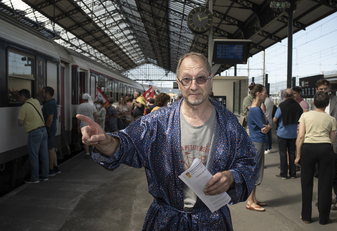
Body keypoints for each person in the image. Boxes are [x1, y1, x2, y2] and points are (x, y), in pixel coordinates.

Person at [77, 52, 258, 230]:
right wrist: (105, 141)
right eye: (186, 79)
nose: (194, 86)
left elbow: (248, 162)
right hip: (166, 221)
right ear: (178, 84)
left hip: (212, 222)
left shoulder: (228, 123)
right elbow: (128, 144)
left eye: (201, 78)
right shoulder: (157, 122)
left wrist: (231, 177)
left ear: (210, 80)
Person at [295, 91, 336, 225]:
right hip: (325, 149)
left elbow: (300, 136)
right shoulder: (331, 119)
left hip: (308, 148)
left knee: (306, 183)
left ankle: (306, 216)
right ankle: (324, 218)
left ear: (313, 102)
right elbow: (332, 140)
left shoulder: (305, 115)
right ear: (327, 104)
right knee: (325, 184)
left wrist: (298, 155)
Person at [316, 79, 337, 210]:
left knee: (334, 172)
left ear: (329, 89)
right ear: (317, 90)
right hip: (320, 141)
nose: (323, 91)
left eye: (325, 89)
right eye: (321, 89)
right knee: (323, 173)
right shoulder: (316, 102)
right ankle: (326, 199)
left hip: (335, 141)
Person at [246, 84, 271, 212]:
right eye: (264, 92)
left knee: (255, 169)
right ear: (258, 94)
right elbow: (265, 127)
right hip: (258, 142)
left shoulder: (255, 109)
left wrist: (267, 125)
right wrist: (268, 126)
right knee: (255, 170)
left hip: (256, 141)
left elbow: (265, 125)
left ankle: (253, 199)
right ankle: (250, 201)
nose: (266, 95)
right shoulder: (256, 110)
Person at [17, 89, 49, 183]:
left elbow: (20, 123)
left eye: (19, 97)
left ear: (22, 96)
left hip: (34, 133)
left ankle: (35, 178)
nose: (18, 99)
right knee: (44, 155)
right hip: (43, 130)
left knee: (34, 156)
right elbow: (37, 98)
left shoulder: (24, 107)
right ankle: (45, 175)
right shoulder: (35, 101)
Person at [273, 89, 303, 179]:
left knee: (283, 153)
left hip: (282, 133)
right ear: (292, 95)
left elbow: (275, 119)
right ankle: (293, 173)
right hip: (293, 133)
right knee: (292, 153)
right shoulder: (297, 106)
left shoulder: (282, 105)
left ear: (284, 96)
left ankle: (284, 173)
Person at [40, 87, 60, 176]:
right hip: (52, 128)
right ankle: (56, 167)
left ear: (47, 93)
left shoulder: (49, 104)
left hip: (49, 129)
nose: (42, 94)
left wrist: (46, 128)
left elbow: (50, 119)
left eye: (43, 92)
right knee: (51, 148)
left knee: (49, 149)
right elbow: (39, 100)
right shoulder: (52, 102)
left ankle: (50, 169)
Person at [77, 93, 98, 158]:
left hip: (83, 124)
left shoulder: (80, 106)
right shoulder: (92, 105)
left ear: (83, 98)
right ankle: (94, 152)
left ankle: (87, 153)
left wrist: (78, 126)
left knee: (85, 138)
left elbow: (78, 117)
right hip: (91, 124)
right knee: (92, 138)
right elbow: (95, 115)